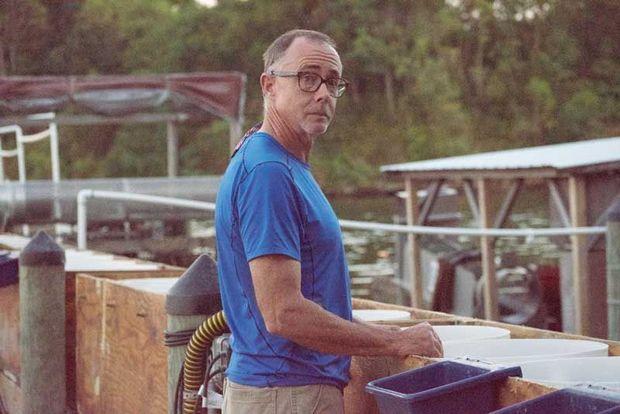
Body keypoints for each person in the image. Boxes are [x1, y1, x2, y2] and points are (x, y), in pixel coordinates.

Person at [215, 29, 443, 414]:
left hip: (294, 390)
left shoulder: (282, 162)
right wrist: (395, 341)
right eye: (307, 78)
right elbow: (283, 313)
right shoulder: (268, 171)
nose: (322, 92)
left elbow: (311, 296)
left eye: (332, 82)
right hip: (285, 395)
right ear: (269, 85)